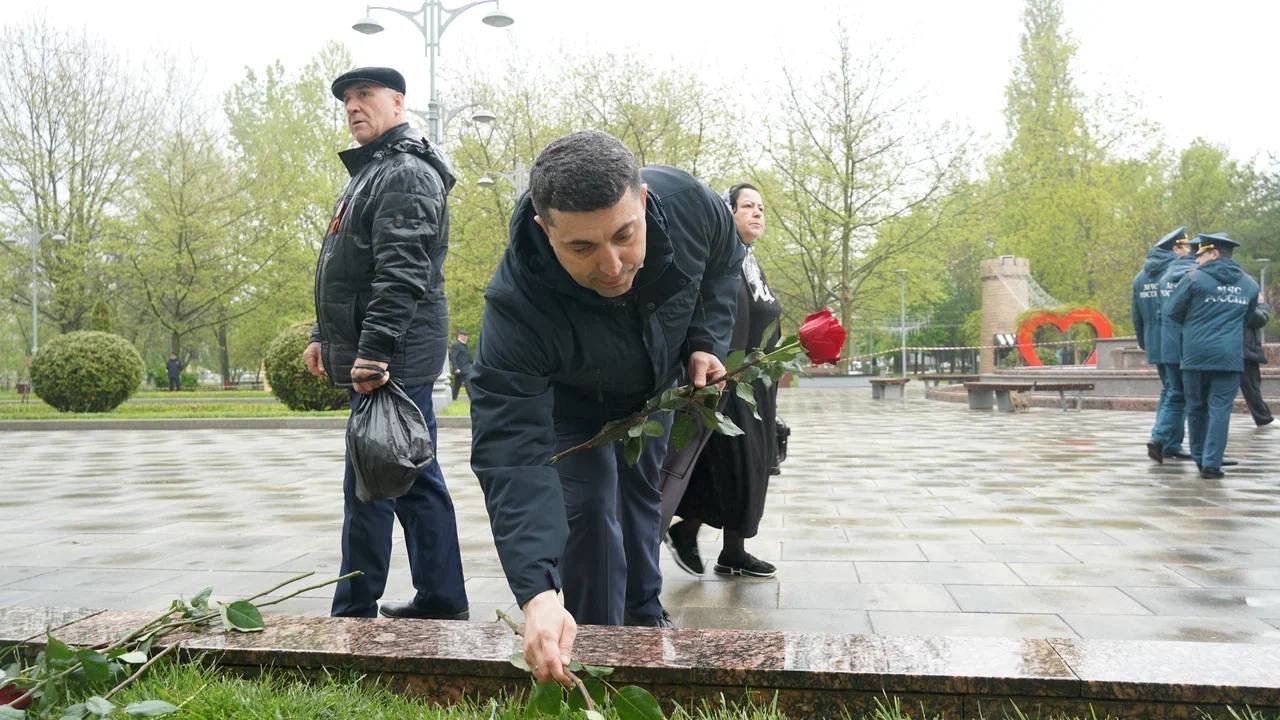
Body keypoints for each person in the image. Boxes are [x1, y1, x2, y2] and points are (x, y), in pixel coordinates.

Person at [469, 130, 745, 685]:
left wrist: (703, 341)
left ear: (643, 201)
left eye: (625, 236)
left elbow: (723, 266)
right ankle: (595, 649)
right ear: (546, 232)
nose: (614, 266)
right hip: (571, 405)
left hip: (653, 386)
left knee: (641, 495)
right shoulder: (515, 308)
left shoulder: (691, 204)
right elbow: (512, 453)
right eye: (582, 248)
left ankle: (643, 620)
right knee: (591, 508)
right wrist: (536, 593)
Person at [302, 66, 468, 620]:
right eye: (347, 99)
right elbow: (345, 269)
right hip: (381, 353)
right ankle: (411, 600)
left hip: (394, 357)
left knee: (397, 480)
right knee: (387, 479)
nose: (353, 106)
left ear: (398, 102)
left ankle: (368, 607)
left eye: (364, 95)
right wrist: (323, 334)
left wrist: (373, 352)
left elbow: (401, 273)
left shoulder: (403, 172)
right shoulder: (373, 171)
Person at [660, 183, 781, 580]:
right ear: (726, 213)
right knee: (727, 466)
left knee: (750, 469)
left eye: (761, 207)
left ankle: (732, 551)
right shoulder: (721, 261)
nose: (757, 213)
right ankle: (684, 530)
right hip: (724, 378)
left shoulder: (751, 263)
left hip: (756, 385)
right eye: (748, 206)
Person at [1167, 232, 1260, 479]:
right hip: (1229, 357)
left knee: (1196, 407)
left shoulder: (1192, 279)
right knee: (1220, 409)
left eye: (1202, 254)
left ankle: (1199, 457)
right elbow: (1250, 317)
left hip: (1195, 355)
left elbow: (1171, 311)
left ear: (1215, 253)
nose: (1197, 259)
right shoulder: (1249, 284)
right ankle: (1212, 463)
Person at [1134, 228, 1185, 462]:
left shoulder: (1140, 278)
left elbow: (1137, 316)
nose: (1188, 251)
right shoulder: (1177, 273)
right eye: (1184, 247)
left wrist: (1145, 342)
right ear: (1175, 248)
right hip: (1174, 343)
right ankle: (1161, 438)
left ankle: (1171, 444)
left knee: (1170, 390)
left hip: (1155, 343)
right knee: (1178, 392)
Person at [1240, 289, 1273, 426]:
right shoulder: (1244, 299)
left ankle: (1263, 418)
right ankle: (1263, 419)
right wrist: (1259, 304)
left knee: (1252, 390)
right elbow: (1259, 318)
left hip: (1244, 350)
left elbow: (1260, 319)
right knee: (1251, 389)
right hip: (1244, 350)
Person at [449, 329, 473, 401]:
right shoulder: (456, 345)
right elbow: (453, 357)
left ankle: (453, 398)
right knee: (468, 384)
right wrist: (456, 368)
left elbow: (467, 357)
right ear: (460, 336)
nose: (466, 337)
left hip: (465, 368)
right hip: (461, 369)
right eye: (464, 335)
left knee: (457, 385)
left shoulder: (464, 345)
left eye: (467, 336)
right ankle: (473, 400)